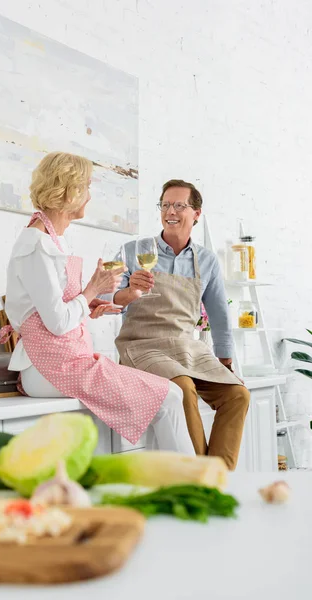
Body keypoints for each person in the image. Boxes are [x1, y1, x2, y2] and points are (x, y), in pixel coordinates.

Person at [0, 152, 195, 455]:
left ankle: (168, 481)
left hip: (63, 360)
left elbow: (51, 310)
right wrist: (93, 289)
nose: (89, 196)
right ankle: (190, 486)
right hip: (51, 367)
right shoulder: (36, 245)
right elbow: (57, 322)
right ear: (70, 190)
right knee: (169, 396)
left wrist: (89, 308)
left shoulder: (50, 241)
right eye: (87, 186)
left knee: (169, 395)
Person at [112, 179, 250, 470]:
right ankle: (200, 475)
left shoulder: (207, 260)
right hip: (142, 346)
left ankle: (219, 475)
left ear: (196, 213)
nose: (170, 211)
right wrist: (129, 292)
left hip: (188, 348)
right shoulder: (132, 251)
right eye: (165, 205)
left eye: (178, 205)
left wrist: (225, 358)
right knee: (183, 387)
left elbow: (219, 314)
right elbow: (105, 301)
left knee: (237, 394)